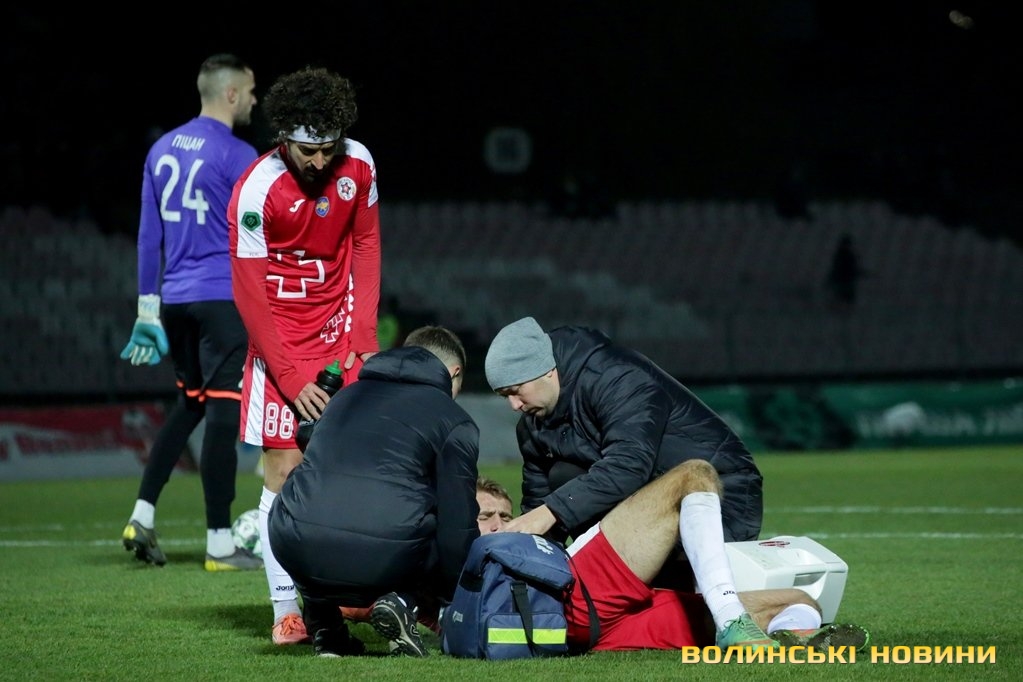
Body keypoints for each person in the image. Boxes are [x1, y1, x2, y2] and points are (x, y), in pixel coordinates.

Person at [228, 65, 383, 645]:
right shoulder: (255, 190)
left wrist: (362, 340)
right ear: (282, 138)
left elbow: (366, 245)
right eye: (306, 150)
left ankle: (347, 591)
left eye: (327, 149)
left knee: (352, 469)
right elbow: (249, 293)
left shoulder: (359, 164)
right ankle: (285, 609)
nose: (319, 162)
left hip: (340, 334)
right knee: (284, 471)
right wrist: (290, 376)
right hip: (280, 344)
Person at [484, 316, 763, 587]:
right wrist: (529, 561)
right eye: (504, 396)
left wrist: (550, 512)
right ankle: (615, 586)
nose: (514, 405)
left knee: (686, 603)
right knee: (563, 476)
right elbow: (538, 503)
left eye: (516, 390)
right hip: (648, 499)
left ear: (546, 370)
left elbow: (629, 464)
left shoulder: (617, 377)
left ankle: (731, 605)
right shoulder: (532, 426)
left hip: (721, 495)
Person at [120, 53, 261, 572]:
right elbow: (257, 235)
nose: (254, 100)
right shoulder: (239, 154)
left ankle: (141, 515)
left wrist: (147, 309)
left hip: (175, 301)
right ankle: (220, 544)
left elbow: (148, 236)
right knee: (224, 412)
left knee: (190, 405)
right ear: (230, 93)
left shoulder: (160, 149)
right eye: (250, 91)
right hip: (222, 298)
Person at [474, 469, 870, 653]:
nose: (500, 525)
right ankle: (734, 623)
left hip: (612, 630)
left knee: (799, 601)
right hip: (579, 605)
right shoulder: (468, 570)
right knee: (694, 476)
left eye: (506, 516)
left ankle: (789, 641)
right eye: (485, 516)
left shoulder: (527, 550)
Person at [267, 325, 481, 658]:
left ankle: (326, 630)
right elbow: (457, 525)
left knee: (307, 506)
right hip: (386, 555)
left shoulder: (345, 396)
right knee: (438, 513)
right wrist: (455, 595)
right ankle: (402, 603)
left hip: (294, 544)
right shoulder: (454, 419)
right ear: (453, 372)